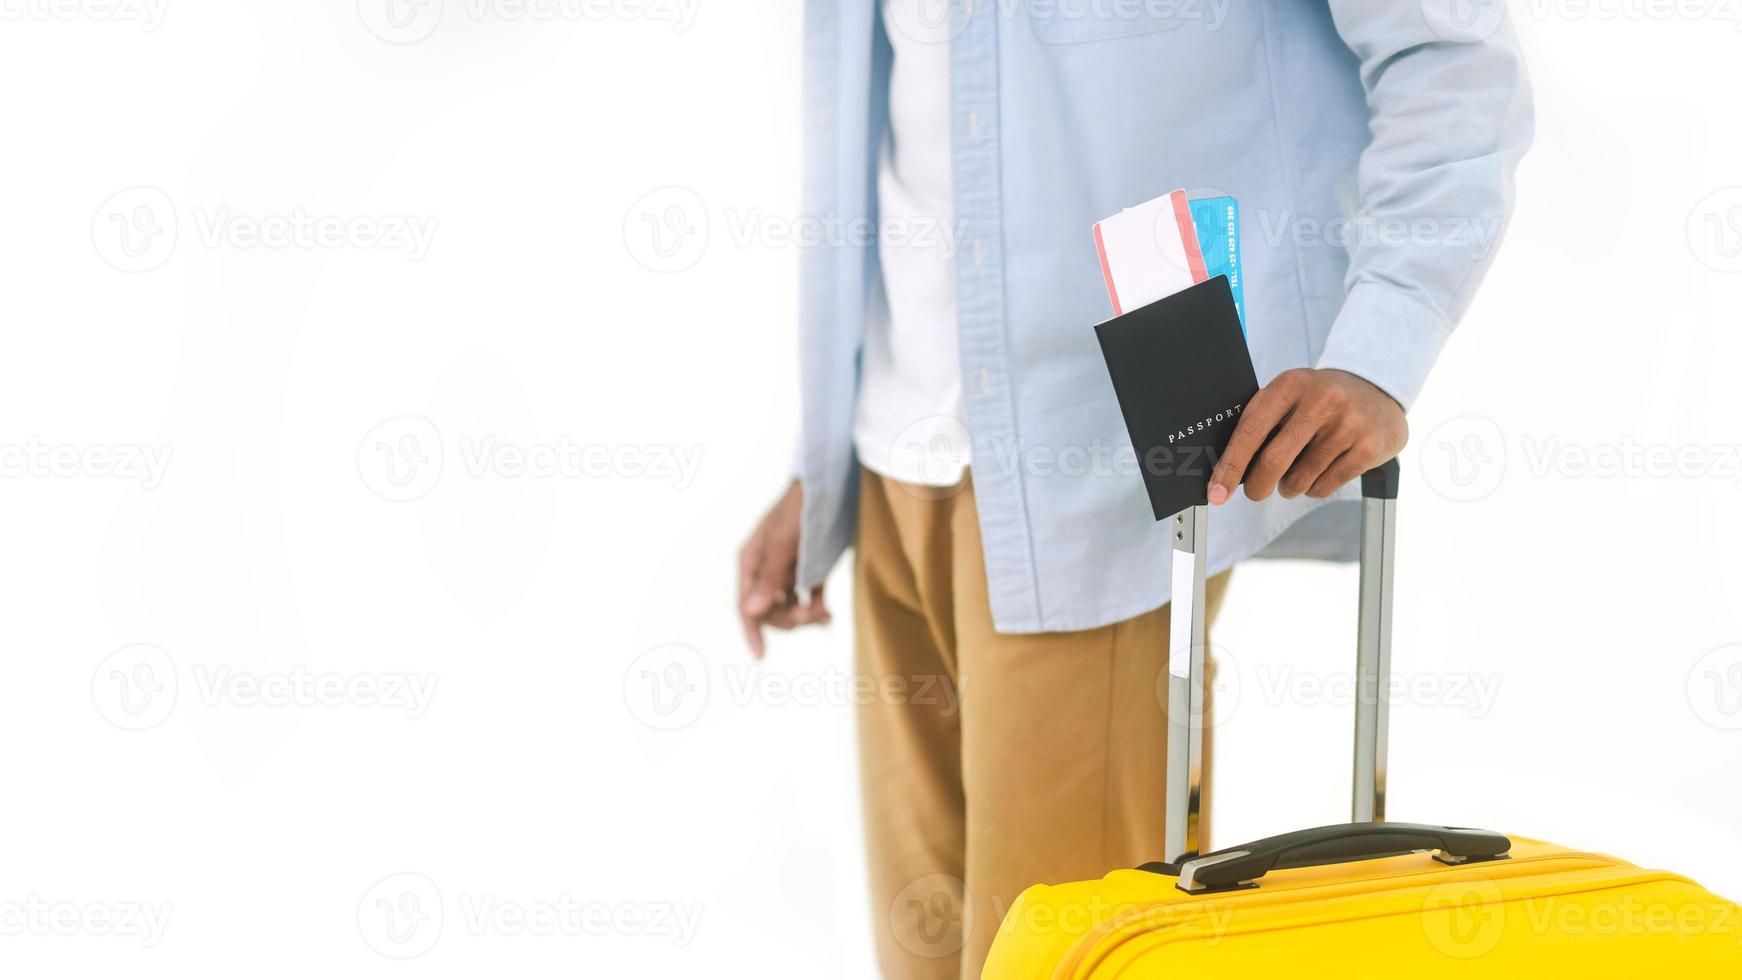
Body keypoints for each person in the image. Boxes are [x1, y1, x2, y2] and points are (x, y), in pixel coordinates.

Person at [738, 3, 1533, 977]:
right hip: (890, 469)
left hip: (1100, 475)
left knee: (1066, 957)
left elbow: (1452, 62)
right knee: (927, 957)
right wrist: (815, 469)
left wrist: (1381, 346)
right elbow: (907, 120)